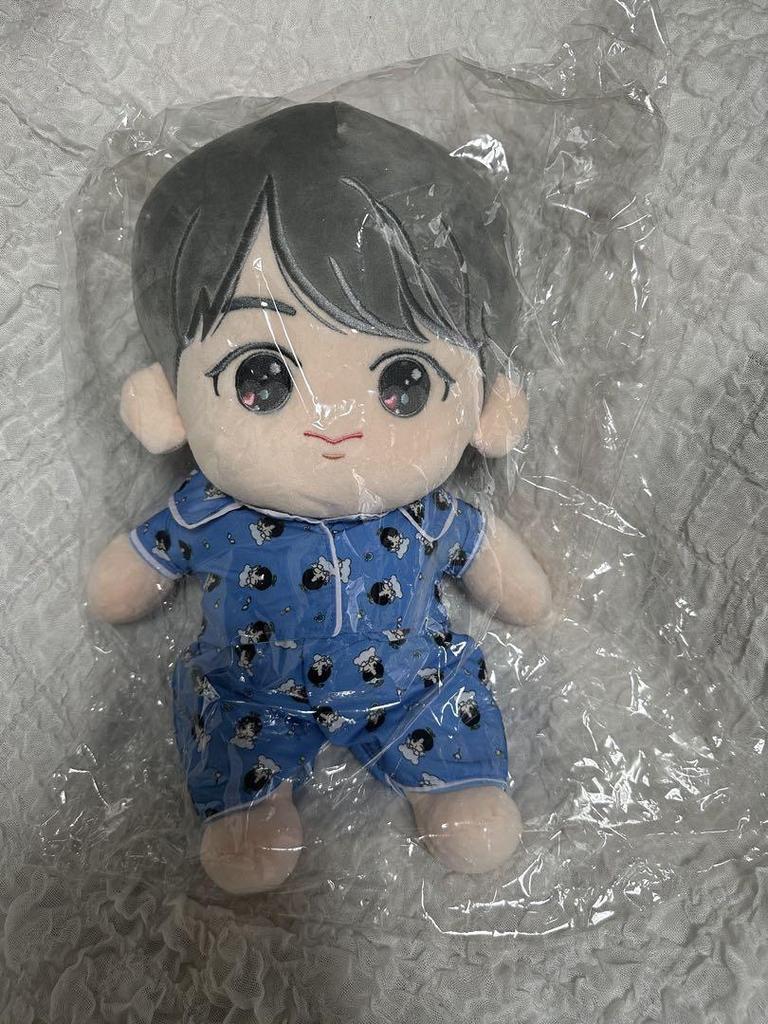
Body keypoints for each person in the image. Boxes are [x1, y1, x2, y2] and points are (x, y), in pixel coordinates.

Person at [86, 102, 551, 894]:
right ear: (167, 403)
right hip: (252, 689)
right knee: (230, 726)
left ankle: (455, 779)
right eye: (261, 379)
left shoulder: (429, 514)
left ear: (488, 408)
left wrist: (528, 597)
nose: (333, 427)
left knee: (450, 709)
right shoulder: (209, 509)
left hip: (412, 682)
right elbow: (129, 576)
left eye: (405, 382)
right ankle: (250, 803)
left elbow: (500, 571)